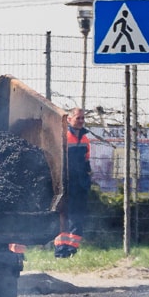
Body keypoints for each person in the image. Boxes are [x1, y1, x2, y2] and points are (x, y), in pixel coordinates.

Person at [56, 108, 92, 258]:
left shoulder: (85, 139)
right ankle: (60, 250)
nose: (81, 121)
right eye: (78, 118)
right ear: (69, 119)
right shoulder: (63, 136)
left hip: (80, 184)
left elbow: (87, 161)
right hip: (65, 183)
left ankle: (72, 250)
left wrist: (87, 180)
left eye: (83, 118)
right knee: (63, 216)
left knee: (78, 216)